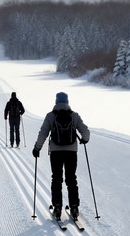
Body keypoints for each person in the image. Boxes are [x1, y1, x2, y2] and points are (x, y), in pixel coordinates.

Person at [32, 92, 90, 221]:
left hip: (56, 152)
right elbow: (85, 132)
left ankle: (57, 207)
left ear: (56, 102)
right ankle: (74, 207)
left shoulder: (50, 116)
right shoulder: (74, 116)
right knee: (71, 179)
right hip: (71, 152)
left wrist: (37, 148)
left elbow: (43, 133)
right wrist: (84, 140)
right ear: (67, 101)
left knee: (56, 178)